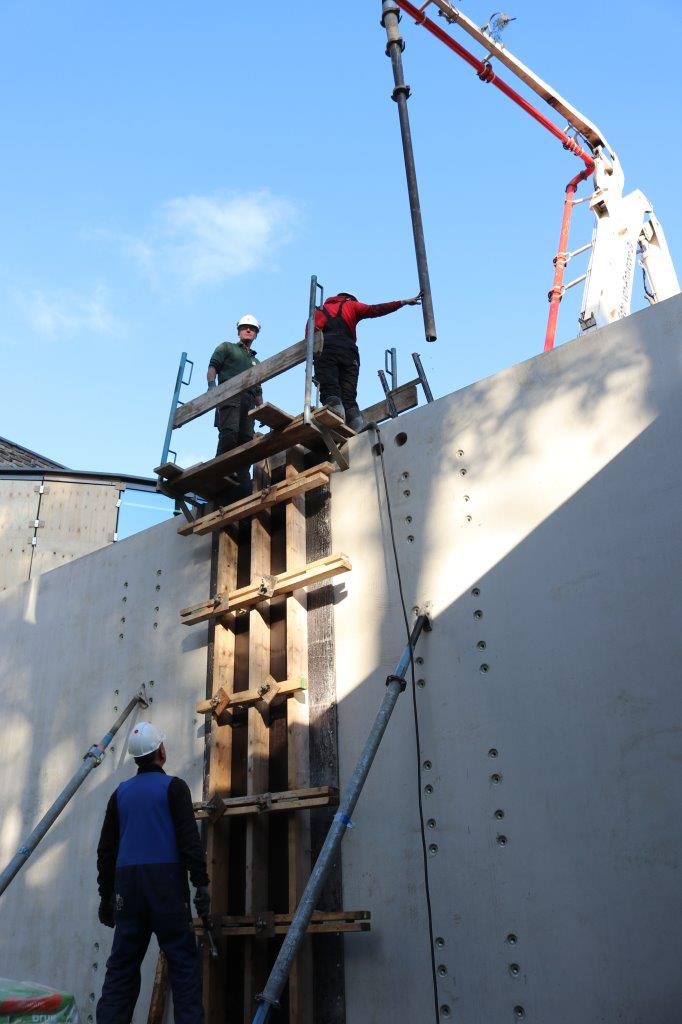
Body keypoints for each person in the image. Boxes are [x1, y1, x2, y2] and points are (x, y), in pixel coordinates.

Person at [96, 722, 209, 1024]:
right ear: (161, 750)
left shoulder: (119, 794)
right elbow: (189, 841)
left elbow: (106, 851)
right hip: (166, 886)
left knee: (121, 968)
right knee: (183, 965)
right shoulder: (174, 787)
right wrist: (202, 885)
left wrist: (106, 897)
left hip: (127, 888)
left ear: (135, 758)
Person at [313, 291, 421, 432]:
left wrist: (313, 359)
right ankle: (355, 422)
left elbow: (311, 335)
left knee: (329, 386)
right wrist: (403, 302)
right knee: (348, 393)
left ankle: (335, 413)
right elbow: (375, 309)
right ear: (350, 298)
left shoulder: (319, 310)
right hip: (349, 352)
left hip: (326, 349)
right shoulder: (351, 304)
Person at [207, 314, 263, 467]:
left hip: (249, 401)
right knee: (229, 433)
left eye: (252, 329)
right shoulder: (227, 347)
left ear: (256, 334)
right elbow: (213, 366)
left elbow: (258, 389)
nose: (248, 330)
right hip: (229, 395)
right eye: (244, 327)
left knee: (246, 438)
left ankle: (240, 475)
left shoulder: (256, 361)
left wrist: (261, 409)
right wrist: (212, 386)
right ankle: (221, 469)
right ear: (238, 331)